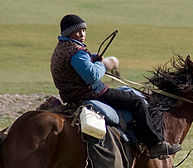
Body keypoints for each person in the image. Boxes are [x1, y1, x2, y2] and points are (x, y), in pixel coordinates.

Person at [50, 14, 181, 159]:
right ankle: (155, 144)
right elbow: (92, 76)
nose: (82, 35)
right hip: (90, 93)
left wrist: (92, 57)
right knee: (137, 102)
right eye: (78, 31)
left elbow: (76, 64)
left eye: (84, 31)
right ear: (68, 33)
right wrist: (101, 64)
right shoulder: (76, 52)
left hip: (71, 94)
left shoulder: (63, 47)